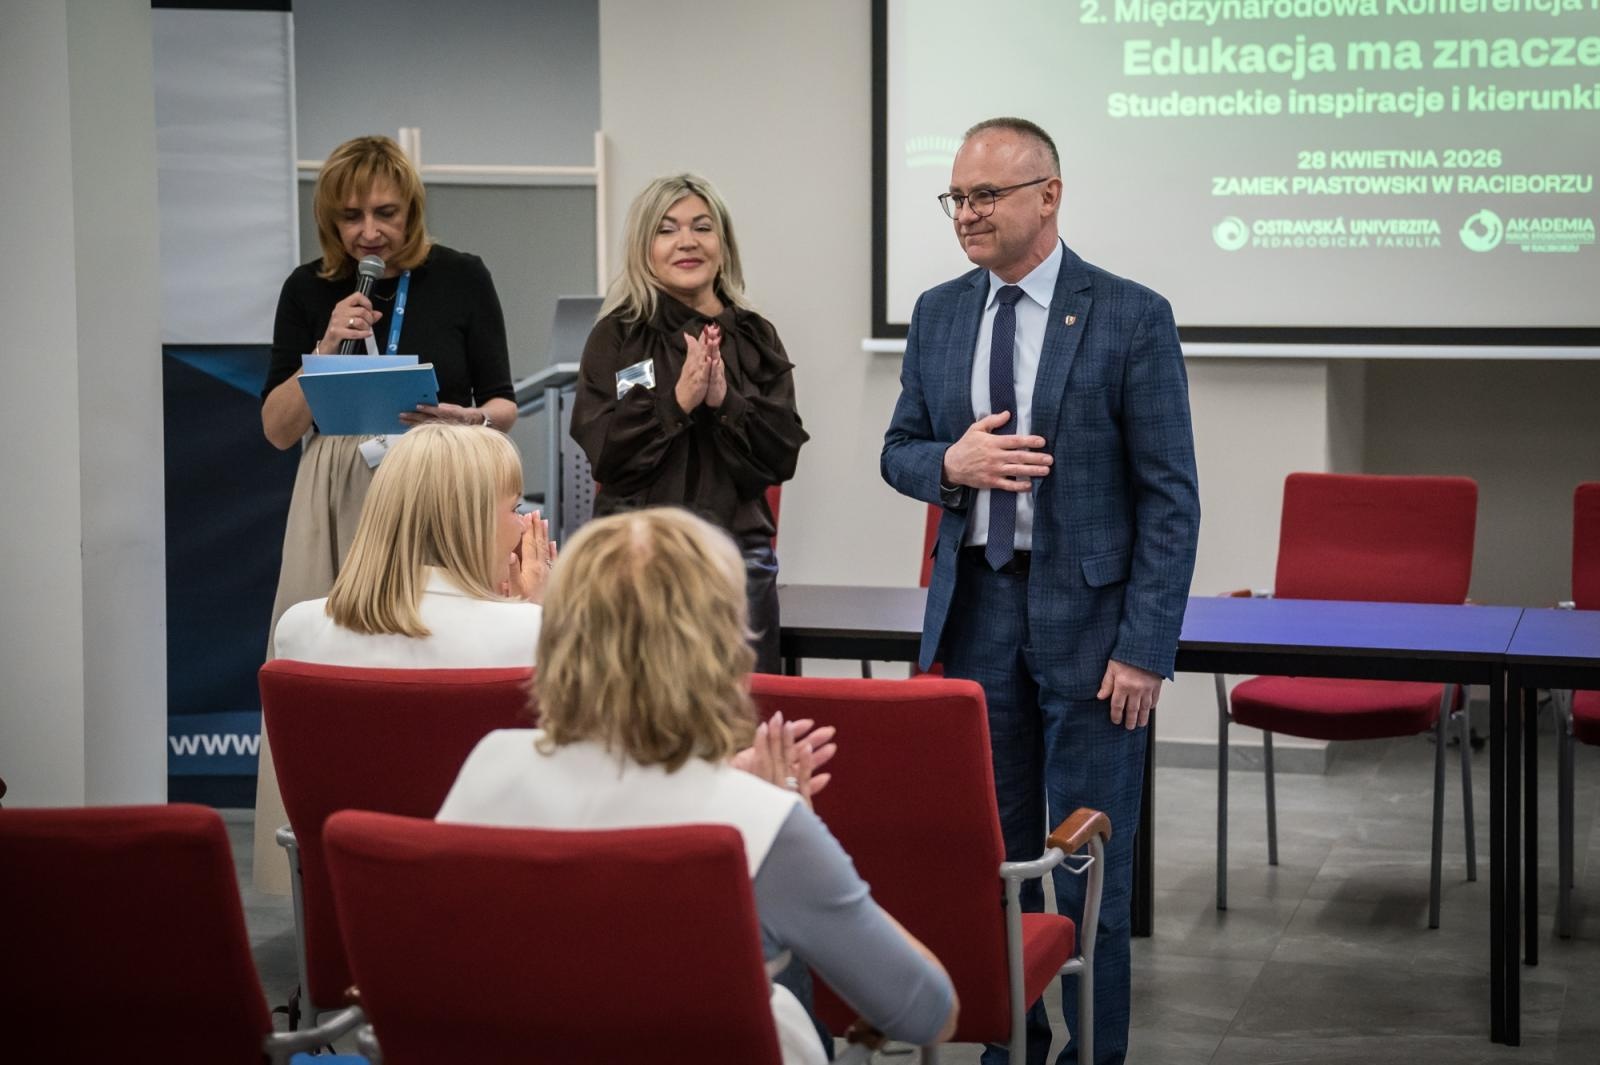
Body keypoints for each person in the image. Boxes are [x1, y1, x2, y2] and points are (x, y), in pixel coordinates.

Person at [881, 117, 1200, 1065]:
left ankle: (1092, 1053)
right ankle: (1005, 1045)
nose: (967, 215)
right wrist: (954, 460)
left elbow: (1170, 498)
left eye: (987, 196)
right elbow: (898, 451)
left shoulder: (1130, 314)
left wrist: (1146, 645)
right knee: (993, 859)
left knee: (1085, 874)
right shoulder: (939, 312)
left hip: (1095, 632)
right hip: (976, 613)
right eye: (957, 198)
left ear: (1048, 196)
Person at [437, 508, 959, 1064]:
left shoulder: (489, 765)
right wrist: (798, 830)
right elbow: (928, 1013)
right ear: (723, 651)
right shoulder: (759, 826)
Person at [254, 135, 517, 891]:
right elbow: (276, 429)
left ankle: (446, 850)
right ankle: (318, 867)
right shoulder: (308, 290)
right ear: (328, 221)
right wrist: (324, 350)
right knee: (319, 666)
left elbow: (503, 401)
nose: (370, 231)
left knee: (434, 659)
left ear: (413, 210)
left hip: (439, 476)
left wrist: (466, 422)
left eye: (387, 213)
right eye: (351, 217)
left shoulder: (462, 278)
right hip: (336, 489)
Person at [570, 174, 808, 673]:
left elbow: (779, 456)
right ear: (645, 247)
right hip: (633, 560)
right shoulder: (617, 337)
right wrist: (676, 403)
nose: (687, 242)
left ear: (722, 243)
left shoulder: (755, 336)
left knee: (738, 728)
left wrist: (724, 400)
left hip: (735, 562)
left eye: (702, 227)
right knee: (635, 727)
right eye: (667, 229)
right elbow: (609, 456)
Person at [271, 423, 551, 668]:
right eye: (516, 508)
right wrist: (540, 615)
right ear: (468, 524)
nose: (525, 525)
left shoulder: (296, 629)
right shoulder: (528, 632)